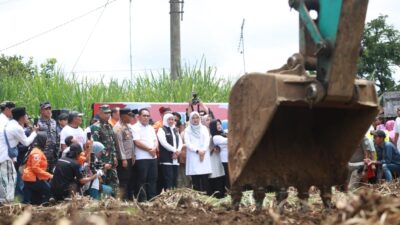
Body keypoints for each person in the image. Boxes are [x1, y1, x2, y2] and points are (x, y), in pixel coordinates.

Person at [0, 107, 38, 203]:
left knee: (5, 180)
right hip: (5, 157)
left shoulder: (9, 124)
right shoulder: (17, 128)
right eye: (26, 115)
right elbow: (26, 142)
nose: (27, 117)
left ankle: (4, 202)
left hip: (4, 155)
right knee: (10, 180)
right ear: (22, 117)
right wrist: (34, 133)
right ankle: (8, 205)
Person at [90, 105, 119, 197]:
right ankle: (102, 203)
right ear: (100, 113)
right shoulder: (95, 127)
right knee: (102, 182)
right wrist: (102, 163)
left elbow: (112, 143)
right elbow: (96, 147)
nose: (108, 115)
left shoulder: (109, 126)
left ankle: (114, 202)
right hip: (102, 161)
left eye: (109, 113)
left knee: (114, 182)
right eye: (105, 113)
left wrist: (114, 156)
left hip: (111, 160)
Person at [131, 108, 158, 201]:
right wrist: (149, 149)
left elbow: (155, 140)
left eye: (147, 116)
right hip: (141, 158)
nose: (146, 118)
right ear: (139, 117)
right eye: (144, 115)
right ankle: (143, 200)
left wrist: (154, 148)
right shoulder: (134, 127)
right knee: (141, 180)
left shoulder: (151, 128)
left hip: (153, 157)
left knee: (153, 179)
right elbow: (137, 142)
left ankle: (152, 199)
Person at [184, 111, 212, 192]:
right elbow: (188, 143)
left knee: (205, 179)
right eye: (193, 118)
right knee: (195, 181)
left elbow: (207, 140)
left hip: (204, 155)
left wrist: (203, 151)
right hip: (193, 156)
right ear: (190, 119)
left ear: (199, 118)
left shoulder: (204, 128)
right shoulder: (187, 130)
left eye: (197, 118)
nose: (195, 120)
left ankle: (206, 199)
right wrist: (197, 151)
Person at [22, 133, 53, 205]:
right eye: (46, 141)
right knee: (48, 190)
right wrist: (49, 175)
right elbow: (35, 168)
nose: (47, 143)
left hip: (33, 177)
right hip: (32, 178)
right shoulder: (36, 153)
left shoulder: (37, 151)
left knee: (35, 197)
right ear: (42, 141)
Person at [113, 108, 135, 200]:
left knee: (130, 178)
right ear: (123, 116)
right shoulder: (118, 128)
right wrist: (123, 159)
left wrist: (133, 155)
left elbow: (130, 142)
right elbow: (119, 144)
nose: (131, 118)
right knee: (123, 179)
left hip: (130, 157)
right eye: (129, 116)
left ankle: (129, 198)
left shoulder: (127, 126)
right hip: (123, 159)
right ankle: (123, 199)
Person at [157, 113, 182, 190]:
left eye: (172, 119)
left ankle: (175, 198)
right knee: (168, 179)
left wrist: (178, 151)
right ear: (165, 120)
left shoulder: (175, 130)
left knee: (175, 179)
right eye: (169, 119)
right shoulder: (162, 130)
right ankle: (169, 198)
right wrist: (174, 150)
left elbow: (180, 141)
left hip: (175, 159)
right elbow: (163, 143)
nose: (171, 121)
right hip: (166, 159)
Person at [37, 101, 58, 172]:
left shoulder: (54, 122)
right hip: (43, 152)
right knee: (43, 173)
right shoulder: (37, 122)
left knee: (52, 174)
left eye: (50, 108)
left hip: (54, 153)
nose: (49, 111)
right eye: (46, 109)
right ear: (41, 111)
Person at [209, 119, 229, 196]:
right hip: (225, 160)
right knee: (227, 178)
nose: (219, 126)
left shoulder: (223, 134)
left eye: (220, 124)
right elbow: (227, 141)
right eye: (217, 125)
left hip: (229, 160)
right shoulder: (215, 137)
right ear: (213, 127)